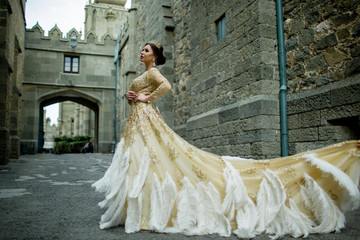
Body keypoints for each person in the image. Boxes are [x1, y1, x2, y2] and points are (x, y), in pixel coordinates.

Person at [92, 40, 360, 238]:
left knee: (158, 161)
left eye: (146, 50)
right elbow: (147, 90)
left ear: (154, 57)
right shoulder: (144, 74)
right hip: (139, 124)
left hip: (147, 122)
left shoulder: (152, 72)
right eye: (142, 50)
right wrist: (133, 98)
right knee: (144, 165)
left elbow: (166, 86)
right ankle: (143, 209)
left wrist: (145, 97)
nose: (142, 52)